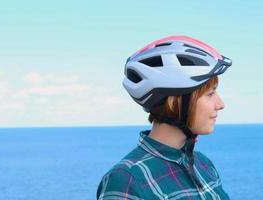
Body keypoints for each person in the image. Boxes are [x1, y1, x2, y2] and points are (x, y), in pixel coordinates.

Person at [97, 35, 232, 200]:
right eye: (210, 93)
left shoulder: (203, 164)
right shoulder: (127, 181)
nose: (221, 104)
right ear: (174, 101)